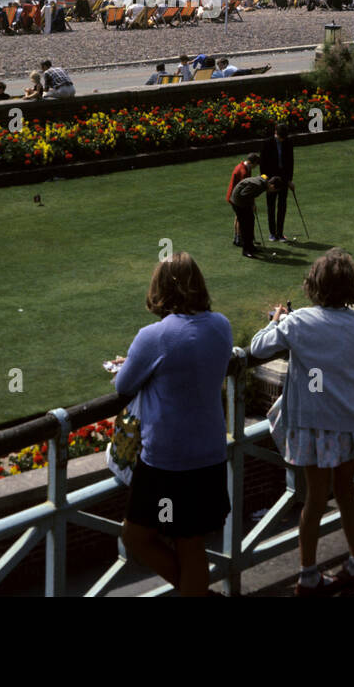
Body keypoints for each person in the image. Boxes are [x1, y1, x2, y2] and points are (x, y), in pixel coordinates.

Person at [250, 250, 354, 593]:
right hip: (352, 419)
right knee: (346, 493)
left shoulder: (298, 322)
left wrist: (277, 320)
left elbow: (259, 347)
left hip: (313, 421)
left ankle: (308, 574)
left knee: (314, 498)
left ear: (314, 286)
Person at [114, 254, 233, 597]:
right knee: (189, 542)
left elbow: (124, 385)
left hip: (168, 461)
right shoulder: (221, 325)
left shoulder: (154, 336)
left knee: (137, 537)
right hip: (209, 452)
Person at [259, 125, 295, 241]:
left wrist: (289, 180)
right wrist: (265, 180)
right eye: (280, 137)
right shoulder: (267, 143)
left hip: (283, 178)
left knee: (282, 206)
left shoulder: (288, 142)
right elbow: (262, 163)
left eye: (283, 138)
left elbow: (290, 162)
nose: (281, 140)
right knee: (271, 207)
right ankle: (272, 233)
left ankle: (280, 233)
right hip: (270, 179)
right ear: (275, 133)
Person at [231, 172, 277, 258]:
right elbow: (244, 194)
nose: (272, 192)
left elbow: (250, 194)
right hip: (238, 202)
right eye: (274, 190)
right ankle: (246, 250)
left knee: (251, 221)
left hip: (244, 202)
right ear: (272, 186)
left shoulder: (264, 183)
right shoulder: (258, 185)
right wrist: (251, 204)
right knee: (245, 226)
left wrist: (252, 204)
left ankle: (251, 246)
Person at [226, 153, 260, 245]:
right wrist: (252, 203)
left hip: (235, 196)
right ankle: (239, 238)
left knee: (238, 217)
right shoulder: (243, 171)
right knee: (241, 217)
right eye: (255, 164)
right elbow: (245, 190)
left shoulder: (245, 167)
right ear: (250, 162)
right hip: (236, 197)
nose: (256, 167)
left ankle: (237, 238)